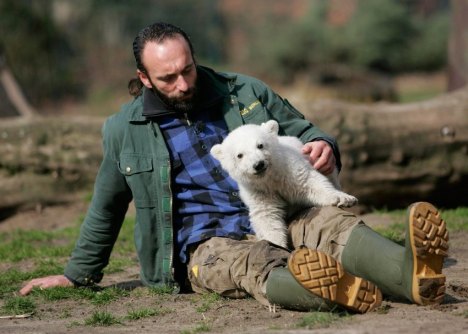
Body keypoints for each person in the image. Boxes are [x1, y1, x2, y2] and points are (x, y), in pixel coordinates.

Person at [20, 22, 449, 313]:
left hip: (280, 205)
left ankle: (410, 272)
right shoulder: (124, 129)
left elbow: (302, 127)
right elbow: (107, 204)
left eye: (186, 69)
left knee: (331, 223)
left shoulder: (243, 90)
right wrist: (77, 275)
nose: (184, 84)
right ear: (145, 77)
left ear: (193, 56)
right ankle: (331, 291)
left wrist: (322, 144)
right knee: (254, 262)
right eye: (168, 78)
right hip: (207, 243)